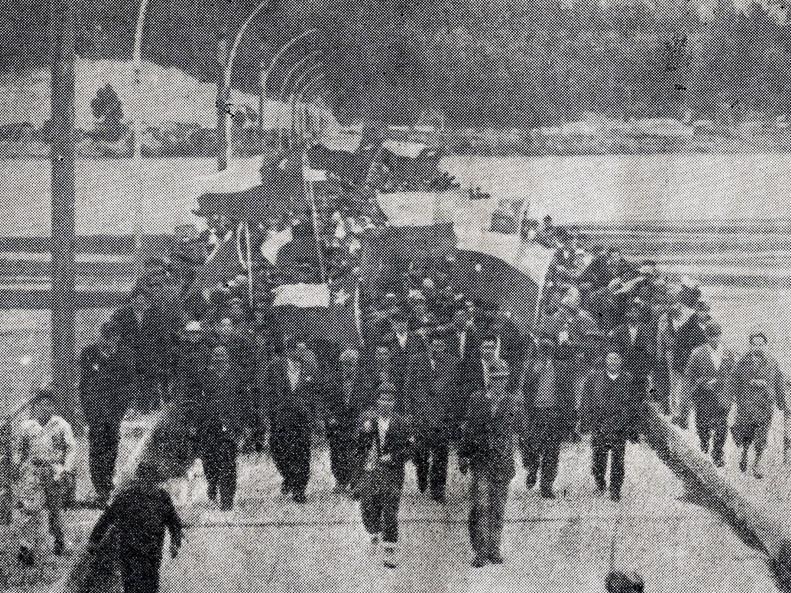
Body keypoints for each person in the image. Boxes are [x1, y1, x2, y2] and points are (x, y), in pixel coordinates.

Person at [88, 462, 182, 593]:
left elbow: (174, 522)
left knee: (150, 586)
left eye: (151, 481)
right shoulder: (126, 496)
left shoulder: (162, 497)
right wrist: (94, 540)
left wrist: (175, 542)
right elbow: (107, 518)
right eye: (144, 479)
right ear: (138, 479)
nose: (147, 484)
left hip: (152, 552)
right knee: (132, 586)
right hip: (130, 553)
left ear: (155, 481)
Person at [458, 358, 517, 567]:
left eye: (503, 379)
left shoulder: (513, 402)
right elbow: (469, 429)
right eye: (495, 378)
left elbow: (519, 430)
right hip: (481, 461)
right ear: (489, 379)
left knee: (498, 507)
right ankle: (481, 550)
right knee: (481, 506)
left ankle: (494, 547)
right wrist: (463, 455)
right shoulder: (477, 399)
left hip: (502, 462)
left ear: (507, 379)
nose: (499, 382)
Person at [13, 388, 76, 564]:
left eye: (49, 405)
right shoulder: (27, 427)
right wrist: (18, 465)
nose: (45, 408)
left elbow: (71, 448)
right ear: (35, 407)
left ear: (53, 407)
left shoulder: (61, 425)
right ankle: (26, 548)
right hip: (33, 470)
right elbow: (19, 449)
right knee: (29, 508)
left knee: (55, 510)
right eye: (42, 405)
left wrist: (66, 469)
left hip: (54, 470)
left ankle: (59, 540)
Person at [355, 382, 412, 568]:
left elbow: (411, 448)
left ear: (394, 402)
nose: (385, 403)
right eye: (382, 399)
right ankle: (373, 532)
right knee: (368, 507)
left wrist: (394, 457)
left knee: (390, 510)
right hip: (370, 471)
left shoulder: (401, 423)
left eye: (389, 400)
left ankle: (389, 549)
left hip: (392, 473)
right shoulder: (367, 419)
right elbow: (357, 445)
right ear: (377, 401)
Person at [79, 321, 135, 506]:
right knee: (96, 448)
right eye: (105, 338)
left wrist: (121, 408)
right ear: (100, 336)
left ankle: (107, 483)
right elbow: (84, 386)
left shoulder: (125, 355)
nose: (108, 342)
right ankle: (100, 488)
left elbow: (129, 384)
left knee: (111, 447)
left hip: (114, 410)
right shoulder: (89, 354)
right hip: (95, 411)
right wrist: (88, 411)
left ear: (118, 338)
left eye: (113, 339)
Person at [404, 333, 460, 502]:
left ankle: (438, 490)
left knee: (441, 455)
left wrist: (453, 416)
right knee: (421, 453)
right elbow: (408, 388)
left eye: (441, 346)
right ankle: (422, 472)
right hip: (421, 416)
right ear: (428, 345)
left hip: (442, 417)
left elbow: (456, 391)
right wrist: (409, 413)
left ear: (444, 347)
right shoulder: (416, 361)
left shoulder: (452, 362)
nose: (437, 349)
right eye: (434, 345)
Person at [580, 351, 642, 501]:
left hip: (619, 425)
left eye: (616, 359)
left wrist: (633, 426)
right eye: (610, 359)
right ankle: (599, 480)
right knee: (599, 458)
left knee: (618, 460)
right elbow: (586, 399)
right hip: (600, 424)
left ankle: (615, 488)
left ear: (621, 361)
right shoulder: (594, 377)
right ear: (605, 361)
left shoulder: (628, 379)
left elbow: (634, 404)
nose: (613, 362)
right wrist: (585, 420)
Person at [675, 321, 736, 467]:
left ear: (720, 336)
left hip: (721, 397)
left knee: (721, 426)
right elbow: (689, 375)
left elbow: (733, 374)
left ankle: (717, 454)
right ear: (706, 336)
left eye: (717, 336)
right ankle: (704, 441)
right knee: (702, 424)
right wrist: (698, 386)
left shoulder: (728, 353)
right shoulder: (697, 353)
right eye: (711, 336)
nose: (714, 339)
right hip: (703, 397)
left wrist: (731, 392)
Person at [264, 335, 317, 503]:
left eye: (304, 350)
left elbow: (315, 393)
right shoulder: (274, 367)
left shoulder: (310, 367)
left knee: (302, 453)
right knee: (279, 451)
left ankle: (299, 489)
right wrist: (267, 415)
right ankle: (288, 476)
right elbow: (266, 392)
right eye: (298, 350)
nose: (302, 353)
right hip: (280, 417)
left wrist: (314, 416)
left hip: (302, 418)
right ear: (289, 351)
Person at [195, 345, 248, 509]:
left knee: (228, 462)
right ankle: (212, 482)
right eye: (216, 356)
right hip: (209, 426)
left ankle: (227, 499)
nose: (219, 359)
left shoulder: (236, 375)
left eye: (222, 356)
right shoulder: (205, 376)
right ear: (212, 358)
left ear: (227, 358)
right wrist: (195, 423)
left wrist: (245, 424)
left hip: (230, 425)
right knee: (209, 460)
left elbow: (244, 401)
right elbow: (197, 401)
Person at [729, 333, 787, 478]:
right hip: (747, 404)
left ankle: (756, 464)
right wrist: (733, 395)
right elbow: (733, 378)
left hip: (765, 405)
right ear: (750, 345)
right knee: (746, 433)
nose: (758, 347)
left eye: (761, 344)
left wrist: (781, 402)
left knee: (761, 437)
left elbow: (779, 382)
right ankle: (744, 452)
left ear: (765, 345)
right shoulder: (742, 361)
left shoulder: (772, 362)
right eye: (755, 344)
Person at [520, 338, 564, 499]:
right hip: (535, 413)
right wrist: (535, 373)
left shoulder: (560, 367)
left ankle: (546, 485)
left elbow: (567, 393)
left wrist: (568, 417)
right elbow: (524, 388)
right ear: (538, 351)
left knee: (552, 451)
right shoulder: (531, 366)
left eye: (548, 350)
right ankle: (532, 469)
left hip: (554, 413)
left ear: (553, 352)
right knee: (532, 446)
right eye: (542, 350)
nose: (545, 353)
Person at [324, 348, 367, 493]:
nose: (348, 367)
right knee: (337, 451)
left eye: (352, 364)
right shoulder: (333, 380)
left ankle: (355, 482)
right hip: (337, 422)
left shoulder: (363, 382)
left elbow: (367, 403)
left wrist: (364, 418)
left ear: (356, 365)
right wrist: (330, 417)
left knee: (355, 452)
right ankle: (340, 480)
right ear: (341, 365)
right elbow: (326, 402)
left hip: (355, 421)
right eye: (346, 364)